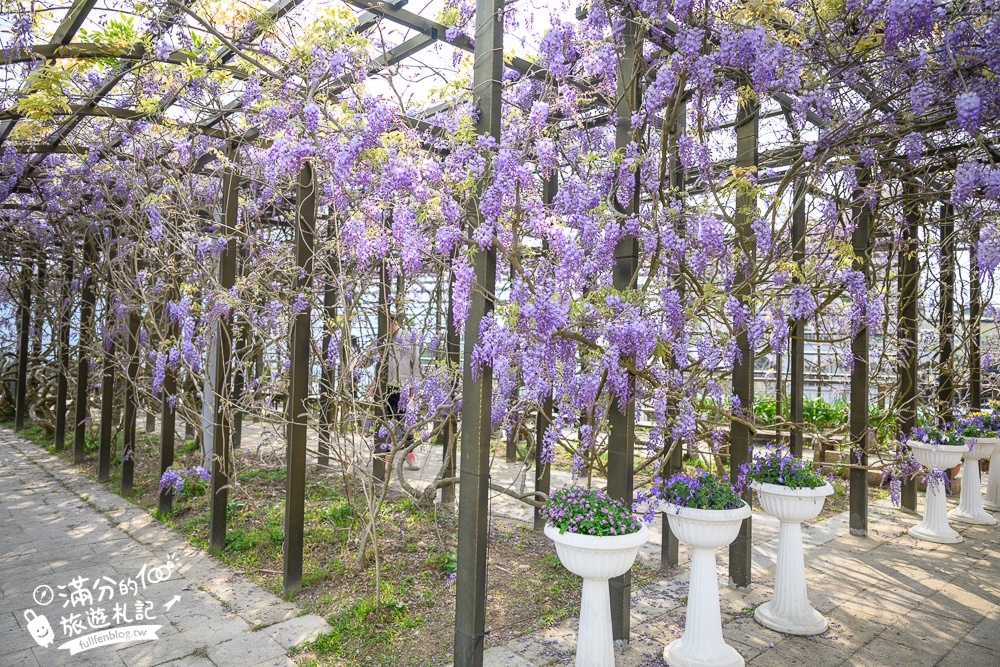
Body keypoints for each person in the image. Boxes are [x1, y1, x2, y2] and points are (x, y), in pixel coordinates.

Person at [386, 314, 422, 471]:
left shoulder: (408, 337)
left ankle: (409, 453)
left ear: (395, 323)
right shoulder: (381, 339)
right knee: (386, 422)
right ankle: (387, 456)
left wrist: (415, 384)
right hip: (385, 386)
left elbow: (416, 363)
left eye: (389, 325)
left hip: (404, 385)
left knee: (406, 422)